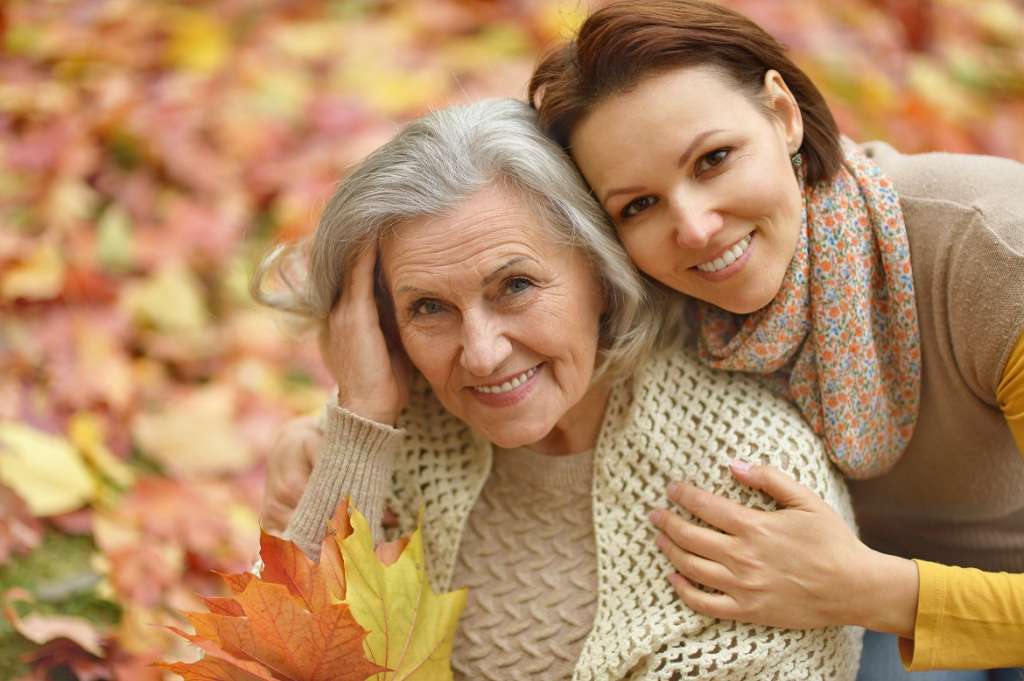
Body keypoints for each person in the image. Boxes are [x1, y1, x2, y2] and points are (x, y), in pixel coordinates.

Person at [251, 97, 863, 680]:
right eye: (429, 308)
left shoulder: (746, 468)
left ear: (602, 270)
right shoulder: (382, 443)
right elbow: (272, 665)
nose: (482, 353)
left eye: (515, 285)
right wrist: (358, 423)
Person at [525, 0, 1024, 677]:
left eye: (714, 159)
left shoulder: (993, 255)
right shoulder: (666, 309)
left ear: (783, 113)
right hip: (889, 611)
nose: (695, 228)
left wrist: (865, 587)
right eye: (639, 205)